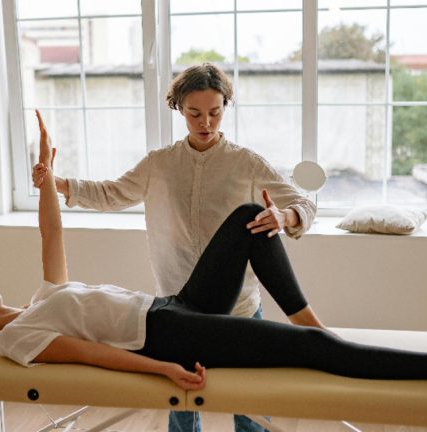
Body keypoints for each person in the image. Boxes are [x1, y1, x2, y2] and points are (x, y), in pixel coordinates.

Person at [0, 111, 427, 405]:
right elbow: (94, 355)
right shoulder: (18, 339)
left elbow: (50, 236)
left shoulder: (39, 301)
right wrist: (163, 370)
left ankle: (305, 316)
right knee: (314, 353)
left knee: (249, 216)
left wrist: (47, 172)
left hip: (174, 306)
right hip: (167, 337)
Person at [33, 64, 318, 431]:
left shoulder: (246, 164)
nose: (206, 123)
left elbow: (304, 204)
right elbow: (111, 193)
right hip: (179, 308)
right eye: (195, 113)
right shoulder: (160, 163)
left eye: (214, 112)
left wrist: (285, 216)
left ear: (225, 106)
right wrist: (56, 182)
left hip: (241, 308)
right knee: (181, 402)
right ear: (179, 108)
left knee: (250, 406)